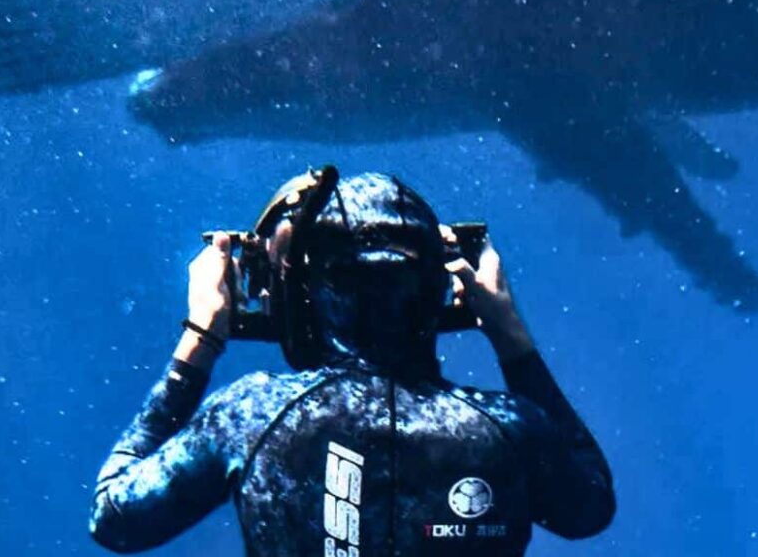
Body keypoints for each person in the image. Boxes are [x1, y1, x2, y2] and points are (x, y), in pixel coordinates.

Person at [89, 170, 615, 554]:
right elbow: (590, 509)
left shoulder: (251, 416)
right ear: (439, 289)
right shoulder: (511, 428)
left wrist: (200, 338)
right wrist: (510, 335)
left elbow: (115, 518)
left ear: (302, 295)